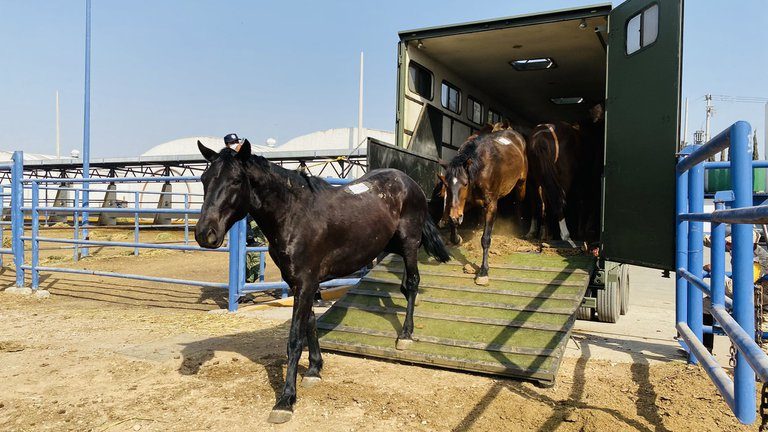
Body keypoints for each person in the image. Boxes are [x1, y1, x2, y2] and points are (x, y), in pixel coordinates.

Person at [223, 133, 267, 287]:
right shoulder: (228, 165)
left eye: (237, 142)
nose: (235, 145)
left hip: (253, 218)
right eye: (232, 143)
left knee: (256, 253)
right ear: (227, 145)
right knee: (240, 254)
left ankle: (247, 284)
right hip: (240, 218)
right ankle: (241, 286)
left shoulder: (248, 162)